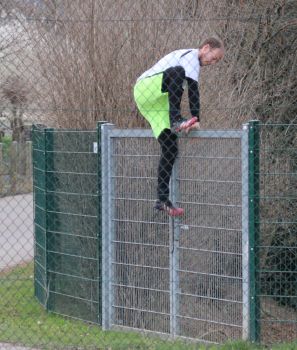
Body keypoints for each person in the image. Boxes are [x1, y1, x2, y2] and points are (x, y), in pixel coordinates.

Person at [133, 37, 224, 216]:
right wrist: (195, 117)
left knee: (170, 148)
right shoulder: (190, 57)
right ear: (205, 48)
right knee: (177, 72)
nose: (212, 63)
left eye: (217, 61)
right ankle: (176, 119)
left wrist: (192, 119)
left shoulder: (193, 63)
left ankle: (162, 199)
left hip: (156, 105)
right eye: (213, 58)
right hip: (145, 88)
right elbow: (193, 90)